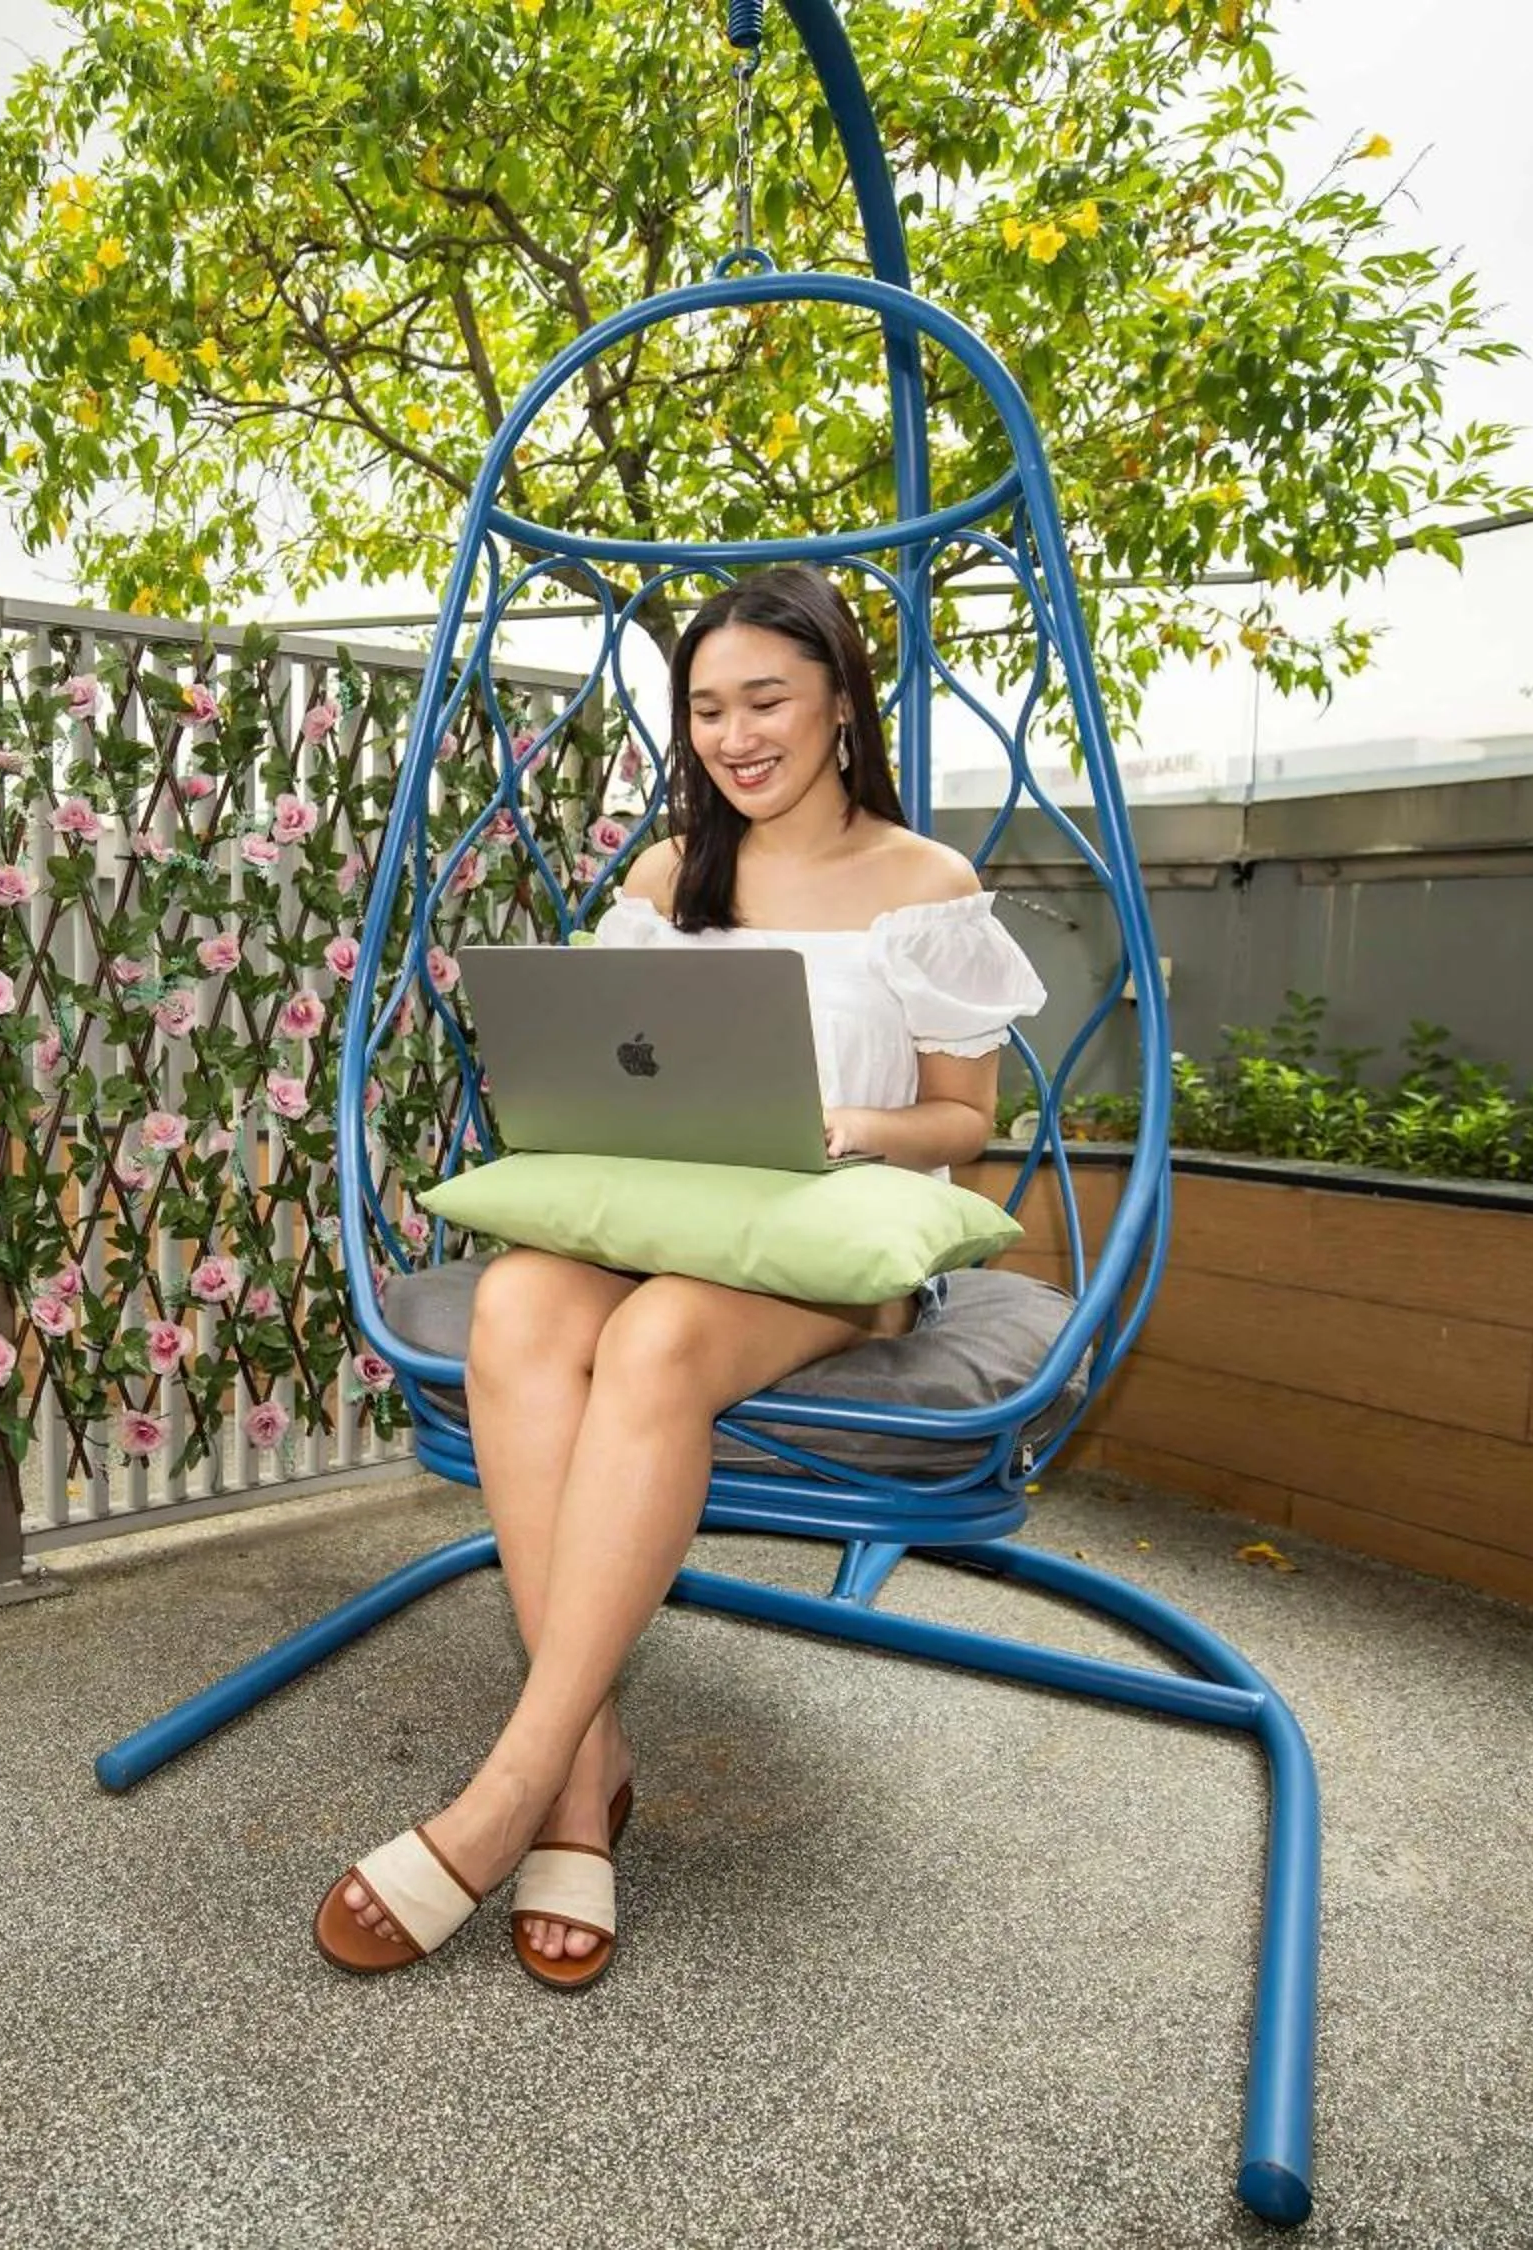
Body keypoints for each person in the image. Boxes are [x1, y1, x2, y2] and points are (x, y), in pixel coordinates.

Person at [314, 562, 1047, 1986]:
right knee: (521, 1298)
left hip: (827, 1249)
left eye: (766, 699)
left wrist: (849, 1124)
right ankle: (583, 1772)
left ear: (842, 701)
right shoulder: (667, 879)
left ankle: (509, 1795)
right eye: (708, 709)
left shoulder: (925, 884)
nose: (735, 735)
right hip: (674, 1218)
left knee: (653, 1343)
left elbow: (969, 1121)